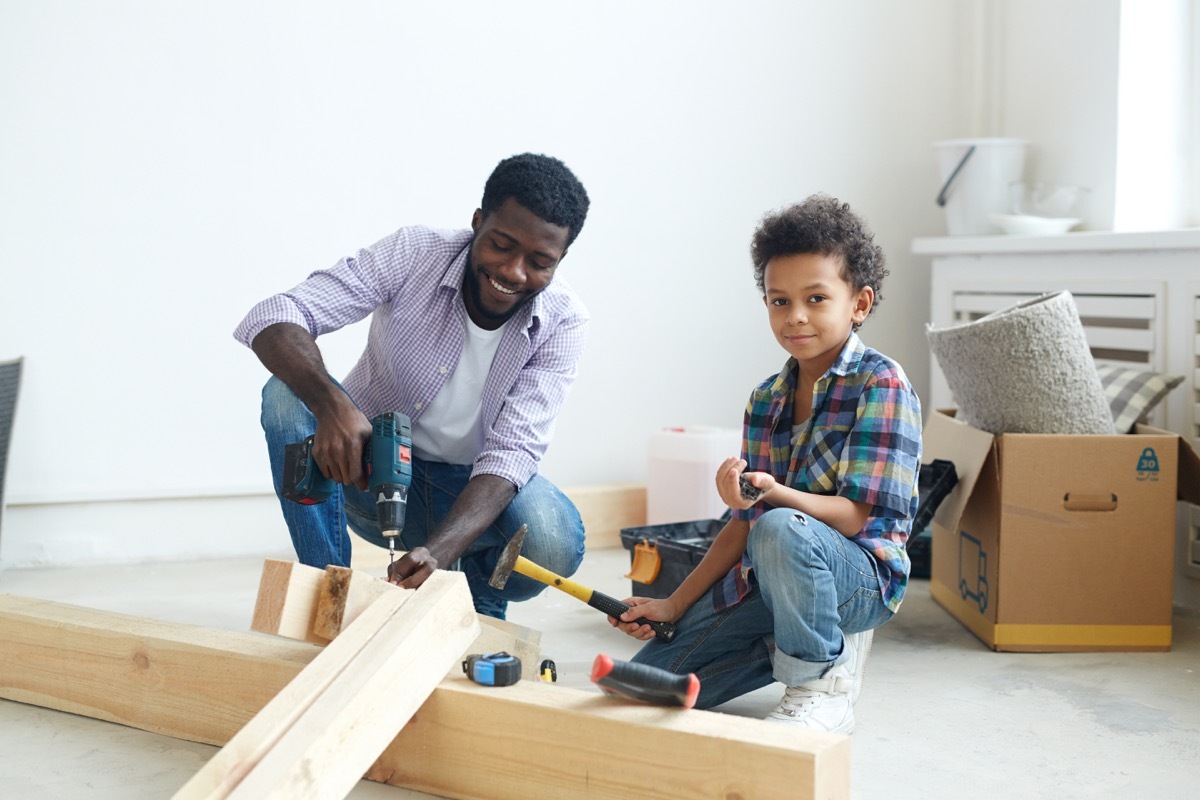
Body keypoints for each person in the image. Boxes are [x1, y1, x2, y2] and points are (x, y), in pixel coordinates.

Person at [234, 153, 591, 620]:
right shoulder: (415, 252)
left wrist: (439, 552)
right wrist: (333, 405)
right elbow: (276, 315)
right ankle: (329, 595)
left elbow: (512, 456)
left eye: (540, 262)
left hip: (465, 500)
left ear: (560, 260)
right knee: (284, 396)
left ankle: (471, 595)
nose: (513, 272)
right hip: (368, 475)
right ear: (478, 222)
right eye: (501, 244)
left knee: (549, 537)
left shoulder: (563, 322)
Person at [612, 194, 922, 733]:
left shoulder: (882, 384)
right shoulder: (767, 397)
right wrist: (674, 605)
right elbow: (743, 524)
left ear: (860, 304)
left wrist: (770, 494)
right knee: (646, 686)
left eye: (816, 298)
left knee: (780, 528)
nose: (795, 316)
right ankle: (794, 644)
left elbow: (852, 518)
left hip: (861, 578)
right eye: (779, 301)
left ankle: (822, 684)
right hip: (774, 571)